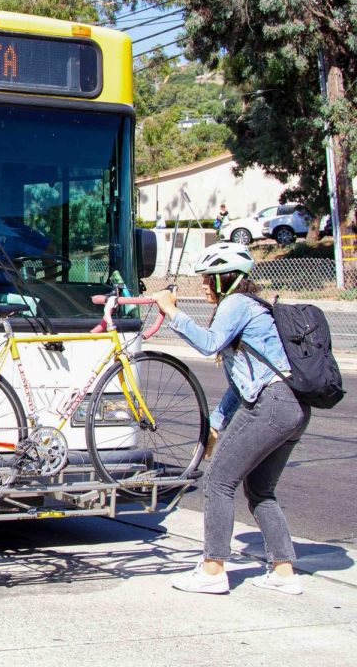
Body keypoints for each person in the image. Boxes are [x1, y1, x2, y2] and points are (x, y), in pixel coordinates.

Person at [152, 241, 308, 596]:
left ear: (227, 279)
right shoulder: (250, 306)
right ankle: (284, 571)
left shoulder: (236, 303)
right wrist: (216, 426)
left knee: (219, 481)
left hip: (272, 404)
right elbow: (240, 387)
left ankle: (212, 569)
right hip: (294, 407)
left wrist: (172, 312)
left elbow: (208, 343)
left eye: (209, 280)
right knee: (260, 489)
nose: (205, 286)